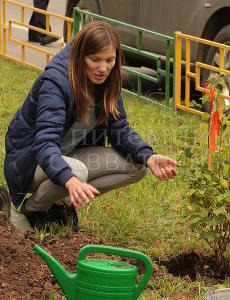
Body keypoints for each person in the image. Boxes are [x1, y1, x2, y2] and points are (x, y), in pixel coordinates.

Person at [1, 21, 180, 233]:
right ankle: (36, 210)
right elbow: (45, 144)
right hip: (29, 162)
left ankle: (56, 204)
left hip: (69, 156)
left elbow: (120, 130)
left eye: (110, 60)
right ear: (80, 56)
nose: (103, 68)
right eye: (95, 60)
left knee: (137, 166)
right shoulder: (56, 82)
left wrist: (148, 156)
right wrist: (70, 180)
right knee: (76, 170)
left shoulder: (108, 81)